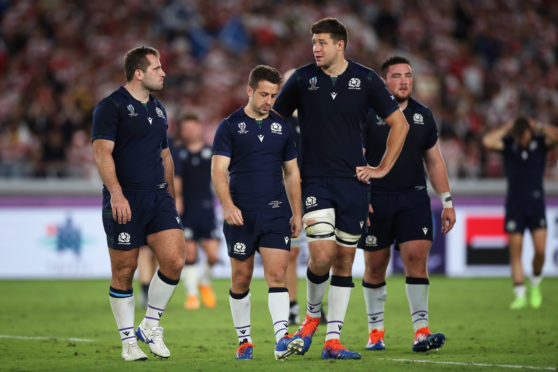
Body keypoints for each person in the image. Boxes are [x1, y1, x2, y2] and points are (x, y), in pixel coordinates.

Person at [273, 17, 409, 359]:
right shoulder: (303, 79)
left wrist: (382, 169)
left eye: (321, 42)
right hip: (315, 180)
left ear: (340, 45)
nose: (315, 48)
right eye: (313, 42)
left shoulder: (366, 79)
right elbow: (275, 124)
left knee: (346, 261)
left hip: (354, 184)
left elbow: (399, 124)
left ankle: (332, 341)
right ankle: (309, 322)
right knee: (322, 256)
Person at [91, 46, 186, 361]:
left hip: (158, 197)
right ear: (138, 73)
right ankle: (128, 342)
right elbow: (102, 152)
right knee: (124, 269)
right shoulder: (111, 106)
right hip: (126, 198)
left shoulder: (159, 108)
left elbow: (165, 154)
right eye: (157, 68)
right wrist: (116, 192)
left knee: (174, 260)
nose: (163, 73)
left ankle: (150, 324)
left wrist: (171, 197)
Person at [359, 56, 455, 353]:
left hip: (413, 197)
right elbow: (355, 156)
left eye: (408, 76)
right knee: (375, 266)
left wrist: (447, 201)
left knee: (416, 261)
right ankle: (376, 332)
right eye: (397, 76)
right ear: (384, 81)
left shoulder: (423, 115)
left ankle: (421, 331)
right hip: (375, 198)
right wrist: (359, 196)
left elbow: (434, 161)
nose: (404, 81)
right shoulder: (368, 113)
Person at [212, 65, 304, 360]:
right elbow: (218, 170)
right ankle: (244, 340)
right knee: (241, 277)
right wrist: (227, 206)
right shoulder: (229, 126)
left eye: (274, 95)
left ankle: (281, 338)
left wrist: (297, 213)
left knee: (278, 272)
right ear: (249, 90)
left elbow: (292, 173)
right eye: (263, 94)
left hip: (276, 212)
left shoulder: (282, 127)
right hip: (241, 214)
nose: (268, 100)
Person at [483, 117, 558, 309]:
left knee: (540, 251)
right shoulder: (509, 144)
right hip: (515, 205)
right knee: (516, 252)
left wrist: (539, 125)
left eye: (523, 136)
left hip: (536, 205)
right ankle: (520, 294)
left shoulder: (540, 143)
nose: (521, 141)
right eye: (518, 137)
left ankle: (535, 283)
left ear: (530, 133)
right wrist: (507, 127)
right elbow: (487, 141)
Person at [173, 113, 220, 310]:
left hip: (207, 209)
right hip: (188, 208)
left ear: (200, 128)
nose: (190, 131)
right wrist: (178, 199)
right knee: (190, 253)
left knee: (212, 255)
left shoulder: (211, 151)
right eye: (187, 128)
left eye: (193, 127)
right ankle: (192, 295)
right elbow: (176, 178)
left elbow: (219, 177)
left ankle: (204, 283)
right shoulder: (178, 152)